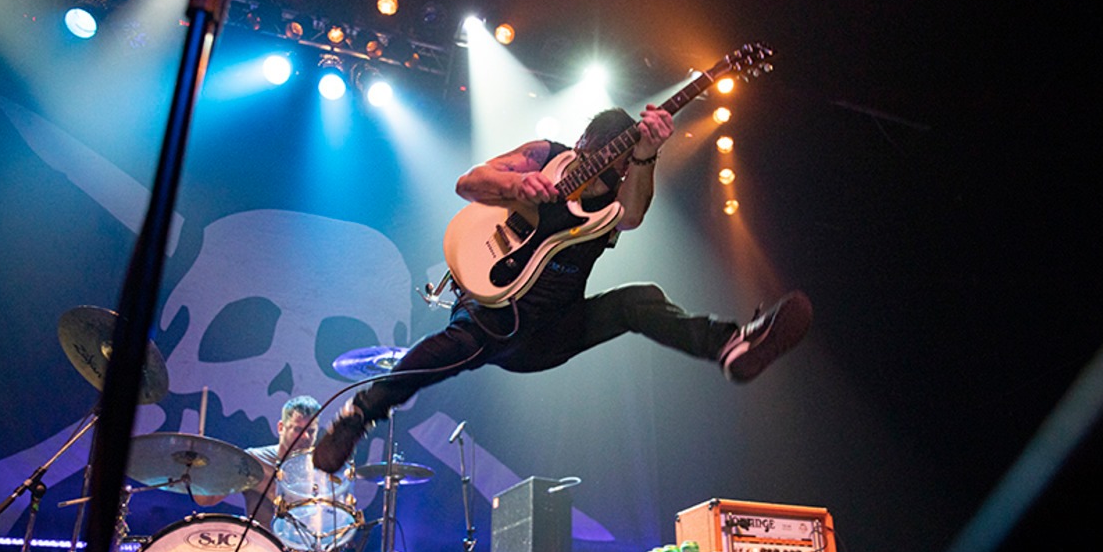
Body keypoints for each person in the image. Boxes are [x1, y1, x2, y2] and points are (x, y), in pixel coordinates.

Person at [314, 105, 812, 473]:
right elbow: (469, 183)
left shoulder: (619, 197)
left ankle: (731, 344)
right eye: (590, 155)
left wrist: (647, 157)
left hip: (552, 331)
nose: (590, 171)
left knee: (638, 300)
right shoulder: (543, 157)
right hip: (495, 311)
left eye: (607, 166)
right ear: (581, 143)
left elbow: (634, 216)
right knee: (443, 350)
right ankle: (358, 417)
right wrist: (515, 187)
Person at [198, 396, 369, 552]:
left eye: (310, 431)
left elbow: (336, 523)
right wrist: (200, 466)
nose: (305, 438)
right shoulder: (256, 460)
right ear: (281, 427)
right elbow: (206, 500)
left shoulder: (321, 470)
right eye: (297, 430)